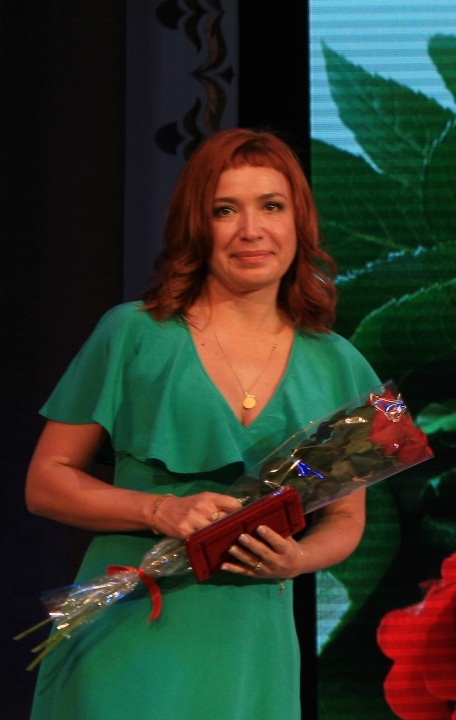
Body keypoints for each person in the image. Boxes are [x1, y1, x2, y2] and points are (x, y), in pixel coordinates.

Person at [25, 128, 381, 720]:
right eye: (225, 210)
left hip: (252, 646)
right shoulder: (133, 334)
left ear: (299, 222)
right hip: (129, 631)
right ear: (196, 226)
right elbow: (45, 482)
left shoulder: (339, 363)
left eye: (272, 206)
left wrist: (299, 560)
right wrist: (158, 510)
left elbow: (346, 520)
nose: (251, 230)